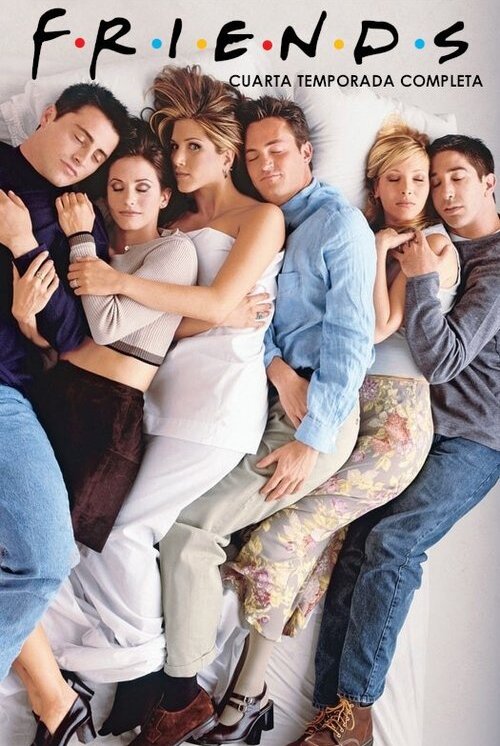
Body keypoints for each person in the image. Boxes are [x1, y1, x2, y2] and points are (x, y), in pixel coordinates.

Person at [112, 93, 375, 746]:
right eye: (254, 156)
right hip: (270, 399)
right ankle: (190, 685)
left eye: (276, 151)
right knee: (180, 526)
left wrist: (312, 441)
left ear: (306, 152)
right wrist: (278, 369)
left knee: (189, 531)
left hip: (315, 420)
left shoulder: (339, 227)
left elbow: (351, 341)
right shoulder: (265, 221)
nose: (265, 165)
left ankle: (182, 696)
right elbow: (255, 317)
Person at [34, 65, 283, 735]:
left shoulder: (260, 217)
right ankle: (123, 669)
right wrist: (197, 314)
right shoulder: (176, 218)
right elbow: (176, 324)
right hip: (159, 398)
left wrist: (118, 283)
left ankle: (163, 689)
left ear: (226, 152)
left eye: (193, 145)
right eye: (173, 145)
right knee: (99, 532)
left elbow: (217, 301)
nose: (179, 157)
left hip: (218, 404)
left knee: (125, 530)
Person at [197, 123, 460, 744]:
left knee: (283, 535)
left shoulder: (431, 245)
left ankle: (241, 697)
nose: (408, 190)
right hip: (348, 405)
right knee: (305, 548)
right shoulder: (355, 233)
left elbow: (378, 326)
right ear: (375, 184)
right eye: (394, 178)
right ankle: (245, 693)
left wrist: (377, 248)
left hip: (394, 422)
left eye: (418, 180)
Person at [287, 135, 500, 746]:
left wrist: (423, 278)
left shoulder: (490, 263)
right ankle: (328, 716)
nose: (444, 192)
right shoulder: (437, 241)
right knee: (356, 544)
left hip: (476, 438)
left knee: (395, 542)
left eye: (458, 178)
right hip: (424, 426)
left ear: (489, 183)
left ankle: (355, 710)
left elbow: (442, 359)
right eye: (437, 180)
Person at [0, 80, 128, 699]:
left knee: (48, 557)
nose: (84, 157)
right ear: (49, 115)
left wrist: (24, 247)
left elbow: (74, 333)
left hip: (6, 393)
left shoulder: (79, 222)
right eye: (80, 136)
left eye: (98, 155)